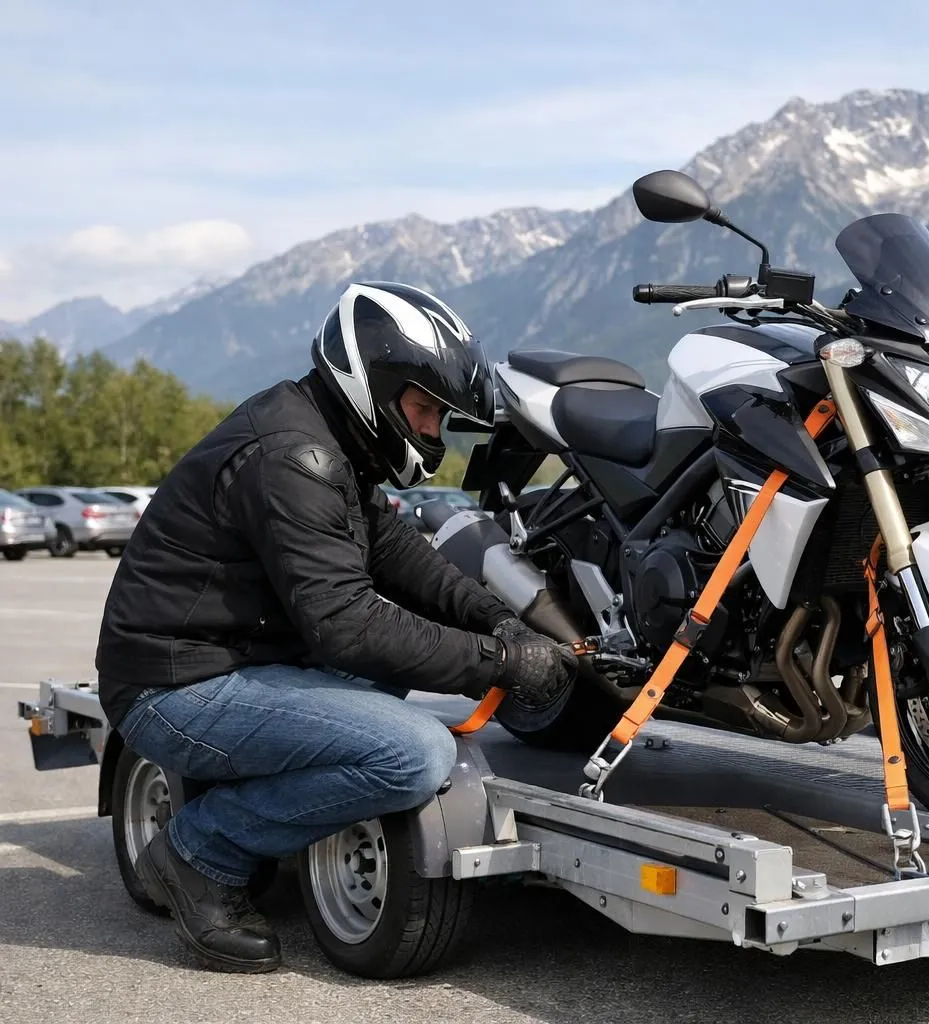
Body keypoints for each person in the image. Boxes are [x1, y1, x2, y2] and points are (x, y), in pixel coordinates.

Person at [94, 281, 577, 974]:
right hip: (174, 687)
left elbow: (400, 556)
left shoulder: (328, 439)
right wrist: (502, 661)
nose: (432, 433)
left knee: (399, 670)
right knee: (414, 755)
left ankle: (234, 809)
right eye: (424, 410)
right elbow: (346, 627)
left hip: (230, 660)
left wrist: (492, 613)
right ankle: (199, 852)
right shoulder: (295, 458)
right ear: (373, 383)